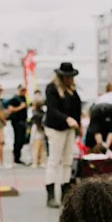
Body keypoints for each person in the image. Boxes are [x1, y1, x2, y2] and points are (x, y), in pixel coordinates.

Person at [43, 62, 82, 208]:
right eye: (67, 77)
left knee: (67, 161)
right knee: (54, 161)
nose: (70, 79)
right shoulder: (52, 89)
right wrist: (67, 119)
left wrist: (77, 124)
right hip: (55, 128)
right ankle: (51, 195)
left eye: (71, 77)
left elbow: (77, 109)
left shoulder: (72, 90)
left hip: (69, 129)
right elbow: (52, 110)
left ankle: (66, 193)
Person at [6, 84, 30, 165]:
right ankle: (16, 157)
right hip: (17, 122)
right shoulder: (14, 99)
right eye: (22, 90)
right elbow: (10, 109)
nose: (23, 92)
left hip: (23, 122)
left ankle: (18, 156)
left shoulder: (24, 98)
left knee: (22, 140)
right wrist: (20, 107)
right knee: (18, 139)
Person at [29, 100, 46, 167]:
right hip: (42, 132)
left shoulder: (35, 114)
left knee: (35, 149)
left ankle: (35, 162)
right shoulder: (43, 113)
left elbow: (32, 123)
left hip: (36, 133)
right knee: (42, 149)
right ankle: (42, 162)